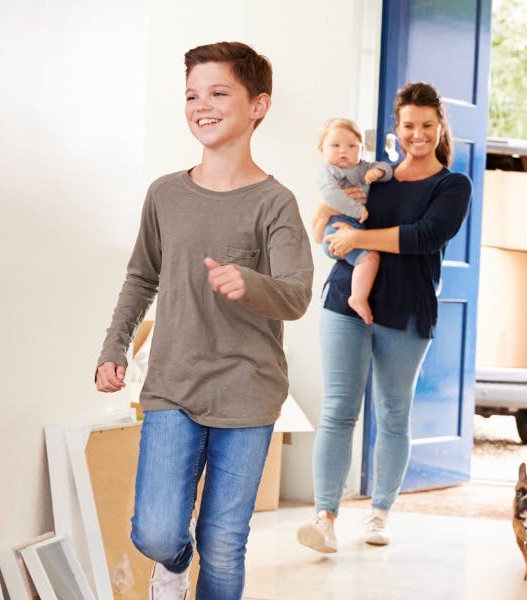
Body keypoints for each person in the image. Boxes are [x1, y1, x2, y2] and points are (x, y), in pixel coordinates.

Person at [93, 41, 312, 600]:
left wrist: (250, 284)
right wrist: (114, 347)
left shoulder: (275, 203)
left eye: (219, 92)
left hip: (248, 392)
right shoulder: (165, 194)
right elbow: (142, 277)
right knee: (157, 531)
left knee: (224, 544)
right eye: (192, 94)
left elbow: (295, 295)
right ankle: (173, 565)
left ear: (258, 105)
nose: (201, 104)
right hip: (174, 384)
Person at [295, 82, 471, 553]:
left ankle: (380, 514)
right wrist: (329, 224)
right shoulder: (376, 177)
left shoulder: (452, 185)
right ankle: (325, 517)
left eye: (427, 126)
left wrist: (359, 240)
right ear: (396, 128)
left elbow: (424, 237)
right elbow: (323, 221)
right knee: (337, 411)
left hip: (406, 307)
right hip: (344, 302)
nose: (417, 134)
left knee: (393, 415)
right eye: (408, 125)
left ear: (439, 128)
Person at [312, 118, 393, 324]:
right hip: (335, 229)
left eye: (351, 146)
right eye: (335, 145)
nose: (343, 151)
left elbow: (386, 167)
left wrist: (380, 172)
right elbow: (332, 197)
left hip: (354, 227)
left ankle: (358, 295)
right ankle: (357, 297)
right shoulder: (327, 172)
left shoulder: (362, 168)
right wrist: (356, 210)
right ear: (321, 149)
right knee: (370, 258)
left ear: (361, 148)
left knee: (368, 257)